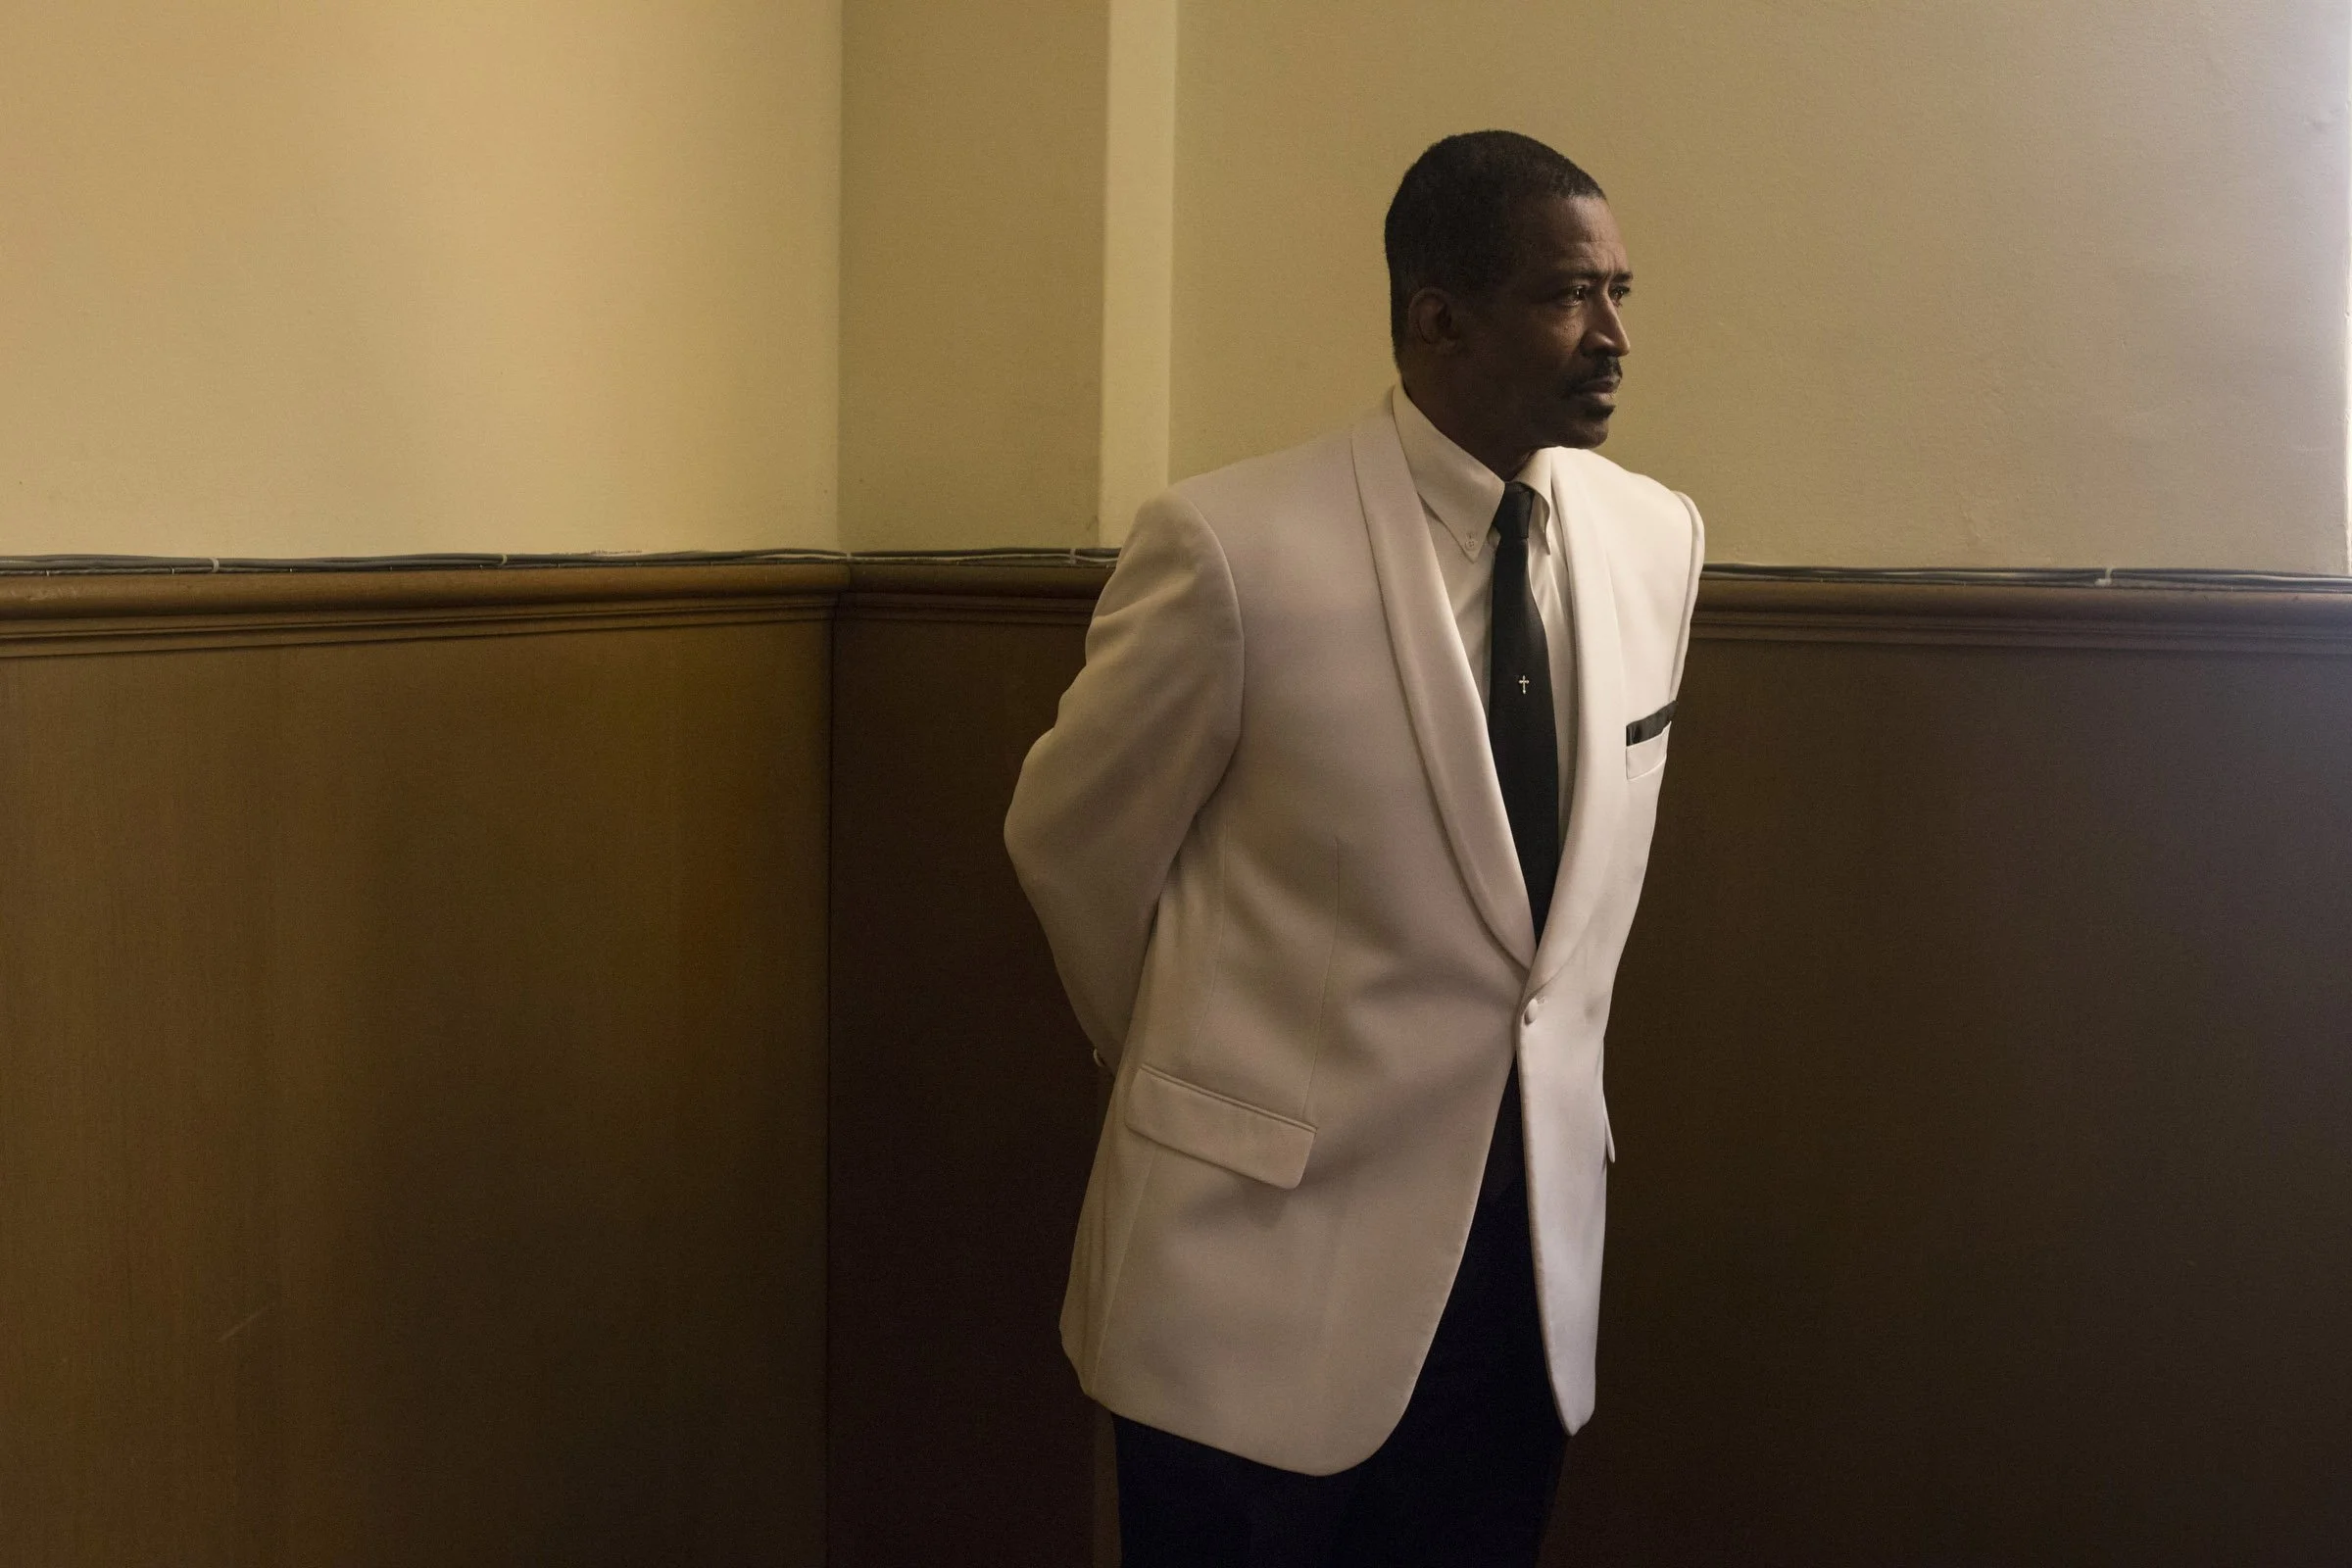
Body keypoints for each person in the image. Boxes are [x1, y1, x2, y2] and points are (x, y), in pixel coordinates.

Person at [1004, 129, 1703, 1567]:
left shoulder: (1656, 541)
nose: (1613, 336)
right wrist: (1195, 1067)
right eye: (1567, 295)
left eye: (1619, 291)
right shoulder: (1231, 548)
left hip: (1522, 1278)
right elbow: (1074, 848)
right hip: (1248, 1277)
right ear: (1438, 317)